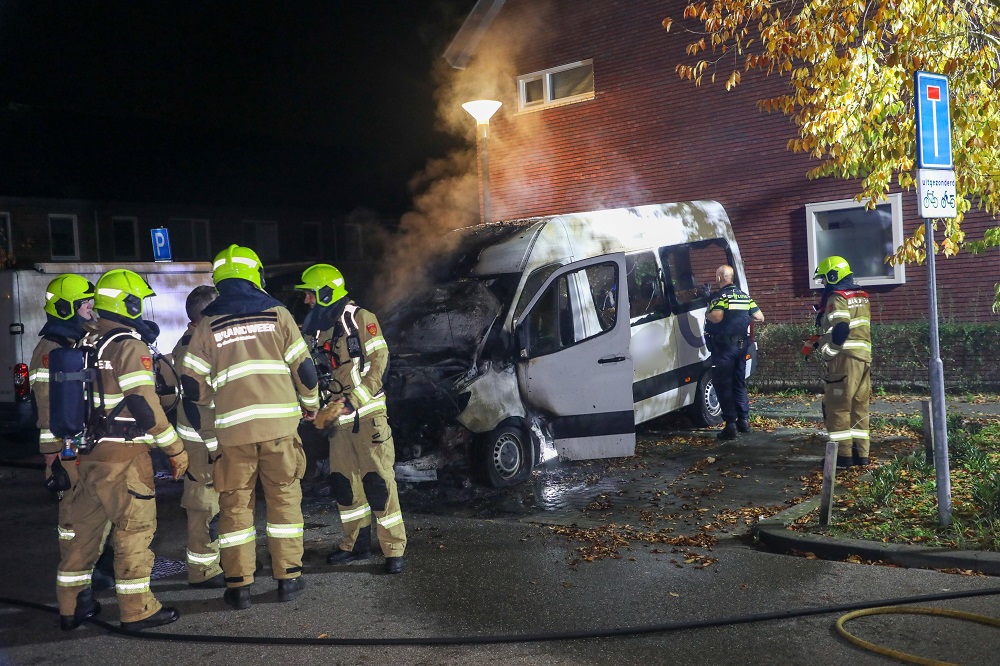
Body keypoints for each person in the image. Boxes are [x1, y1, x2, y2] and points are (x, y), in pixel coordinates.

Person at [180, 245, 319, 610]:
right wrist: (311, 405)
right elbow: (305, 371)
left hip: (233, 437)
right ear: (254, 274)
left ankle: (239, 584)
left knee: (235, 508)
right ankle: (287, 578)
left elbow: (191, 385)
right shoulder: (279, 315)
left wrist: (215, 412)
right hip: (279, 431)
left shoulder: (208, 324)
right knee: (284, 500)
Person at [54, 269, 188, 631]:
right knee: (133, 533)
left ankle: (70, 608)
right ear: (126, 302)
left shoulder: (84, 343)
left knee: (83, 539)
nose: (140, 307)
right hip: (125, 459)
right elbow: (143, 404)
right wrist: (174, 448)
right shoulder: (128, 344)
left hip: (87, 458)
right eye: (138, 300)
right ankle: (137, 609)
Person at [297, 263, 407, 574]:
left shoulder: (360, 318)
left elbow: (379, 362)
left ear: (327, 292)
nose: (306, 300)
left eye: (310, 294)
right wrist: (314, 408)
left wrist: (354, 400)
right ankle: (355, 544)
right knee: (345, 485)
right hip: (337, 422)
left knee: (379, 483)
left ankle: (394, 549)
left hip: (368, 415)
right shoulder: (317, 329)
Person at [29, 274, 116, 595]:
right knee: (74, 516)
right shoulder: (51, 348)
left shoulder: (82, 340)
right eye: (85, 304)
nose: (92, 309)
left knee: (102, 510)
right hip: (68, 448)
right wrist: (52, 456)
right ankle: (80, 577)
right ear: (65, 308)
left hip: (94, 443)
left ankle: (100, 565)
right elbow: (47, 407)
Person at [171, 285, 225, 588]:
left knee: (220, 502)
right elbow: (198, 402)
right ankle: (203, 570)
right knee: (204, 505)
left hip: (208, 438)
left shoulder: (197, 340)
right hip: (202, 441)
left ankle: (224, 559)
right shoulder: (195, 346)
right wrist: (213, 443)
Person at [810, 256, 872, 468]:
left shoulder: (837, 297)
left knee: (837, 407)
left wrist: (829, 351)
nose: (824, 285)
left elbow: (842, 328)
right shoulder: (861, 295)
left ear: (833, 275)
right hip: (863, 360)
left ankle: (842, 457)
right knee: (858, 407)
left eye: (825, 279)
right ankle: (861, 454)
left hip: (844, 360)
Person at [704, 264, 764, 440]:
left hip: (724, 348)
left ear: (720, 278)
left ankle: (730, 425)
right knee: (739, 383)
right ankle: (744, 421)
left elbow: (716, 317)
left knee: (723, 385)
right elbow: (759, 317)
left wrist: (708, 310)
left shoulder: (720, 297)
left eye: (717, 276)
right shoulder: (745, 297)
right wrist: (741, 318)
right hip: (741, 345)